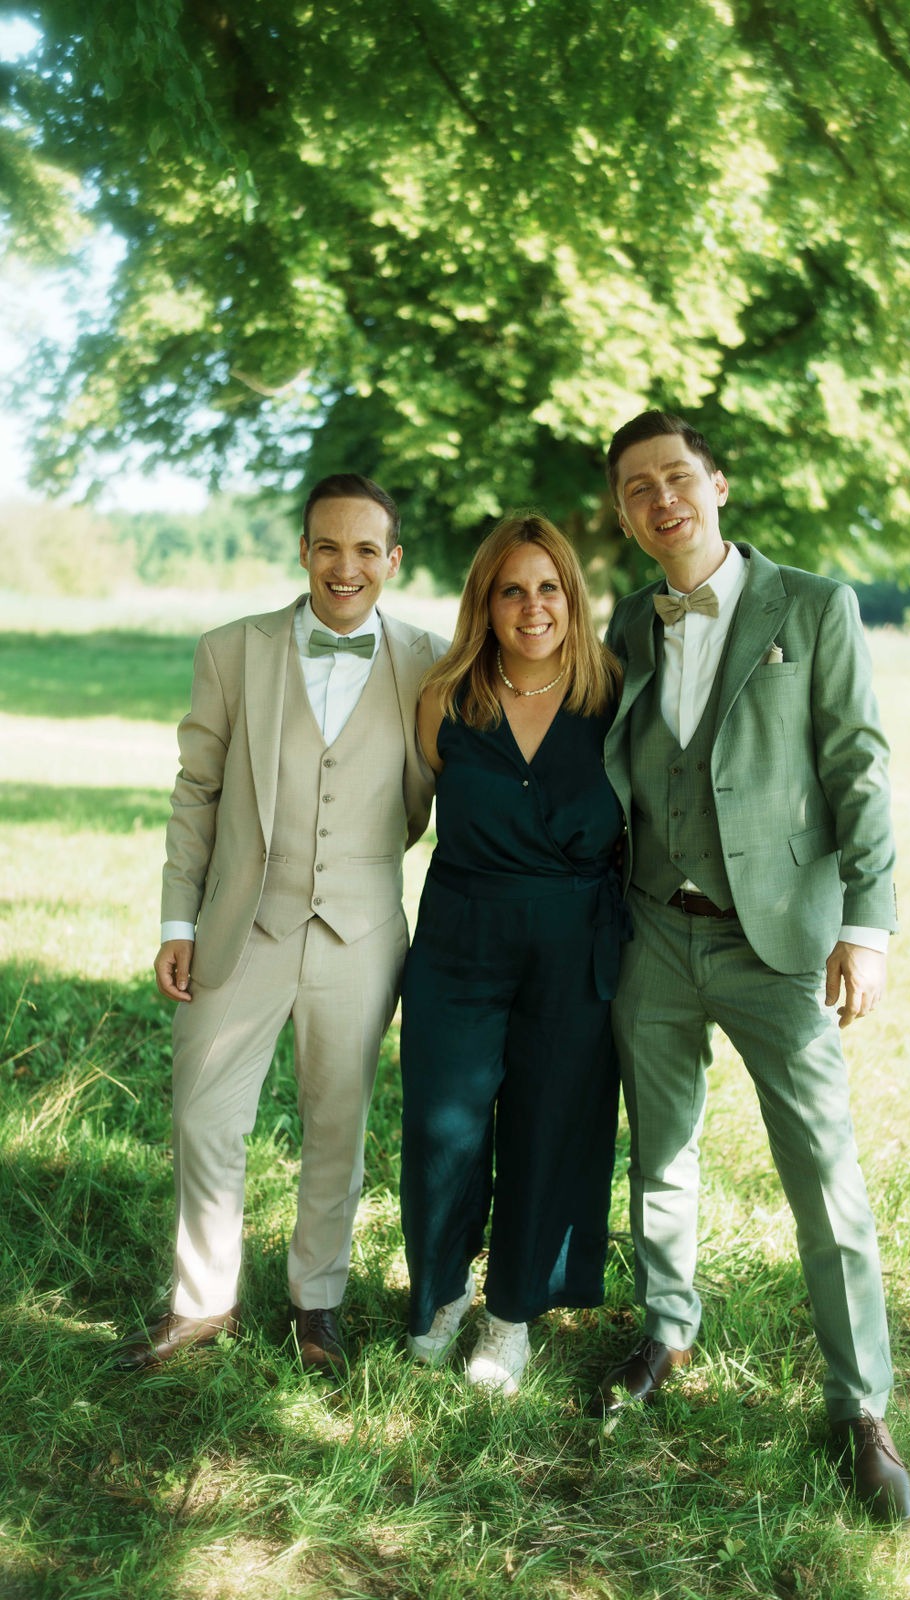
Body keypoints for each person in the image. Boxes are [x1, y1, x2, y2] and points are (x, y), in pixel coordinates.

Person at [592, 410, 910, 1523]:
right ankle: (665, 1330)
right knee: (660, 1152)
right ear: (622, 512)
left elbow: (858, 767)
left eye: (676, 477)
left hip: (776, 941)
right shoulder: (626, 623)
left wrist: (865, 926)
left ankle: (860, 1404)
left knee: (822, 1171)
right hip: (652, 929)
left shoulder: (813, 607)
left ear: (716, 484)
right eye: (637, 487)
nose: (660, 499)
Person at [113, 473, 447, 1376]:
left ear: (392, 560)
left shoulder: (433, 660)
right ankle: (201, 1302)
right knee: (203, 1115)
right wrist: (178, 918)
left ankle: (317, 1304)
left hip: (361, 931)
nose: (346, 566)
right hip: (242, 925)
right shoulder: (233, 650)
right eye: (327, 546)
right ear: (303, 551)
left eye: (366, 549)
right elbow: (197, 791)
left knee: (337, 1124)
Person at [399, 513, 625, 1394]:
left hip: (574, 944)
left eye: (548, 588)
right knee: (441, 1126)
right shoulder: (445, 699)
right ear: (483, 604)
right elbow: (408, 809)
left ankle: (510, 1315)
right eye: (511, 591)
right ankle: (443, 1291)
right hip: (461, 938)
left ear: (571, 596)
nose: (533, 608)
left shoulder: (613, 694)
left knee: (549, 1128)